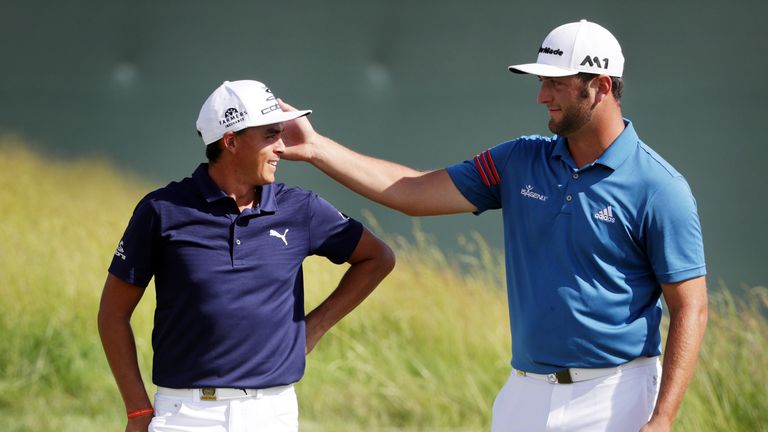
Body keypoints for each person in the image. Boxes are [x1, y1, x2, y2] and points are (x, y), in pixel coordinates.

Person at [278, 19, 708, 432]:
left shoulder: (659, 187)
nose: (542, 96)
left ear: (601, 87)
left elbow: (691, 307)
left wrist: (663, 417)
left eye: (555, 83)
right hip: (525, 391)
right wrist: (316, 147)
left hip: (616, 395)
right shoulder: (519, 160)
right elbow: (410, 192)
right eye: (541, 82)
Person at [97, 79, 395, 432]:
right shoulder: (162, 211)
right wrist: (137, 411)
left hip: (272, 414)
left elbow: (377, 258)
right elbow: (112, 314)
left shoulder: (300, 208)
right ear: (231, 141)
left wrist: (312, 329)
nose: (281, 147)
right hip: (184, 417)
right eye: (270, 135)